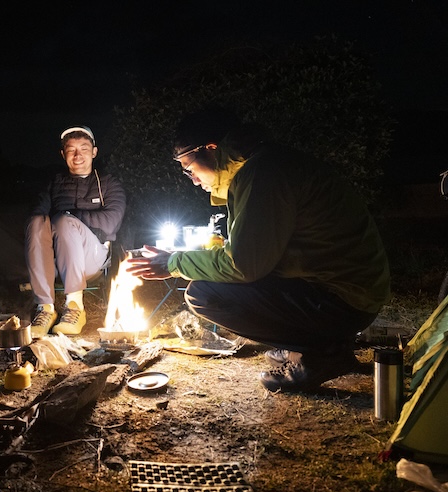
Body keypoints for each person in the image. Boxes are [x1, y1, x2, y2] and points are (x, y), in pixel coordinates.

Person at [127, 108, 391, 392]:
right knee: (216, 284)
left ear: (211, 149)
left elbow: (244, 264)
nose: (191, 179)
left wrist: (174, 263)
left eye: (189, 168)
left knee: (203, 294)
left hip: (344, 300)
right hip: (344, 291)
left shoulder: (262, 173)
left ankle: (324, 353)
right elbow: (262, 251)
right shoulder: (262, 165)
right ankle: (308, 344)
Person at [25, 125, 126, 337]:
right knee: (36, 222)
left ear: (94, 152)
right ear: (63, 154)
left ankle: (74, 306)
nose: (78, 155)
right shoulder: (54, 184)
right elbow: (38, 215)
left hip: (92, 258)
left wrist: (70, 217)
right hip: (56, 261)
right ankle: (45, 309)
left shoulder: (108, 184)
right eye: (71, 150)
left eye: (84, 149)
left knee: (64, 221)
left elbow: (110, 222)